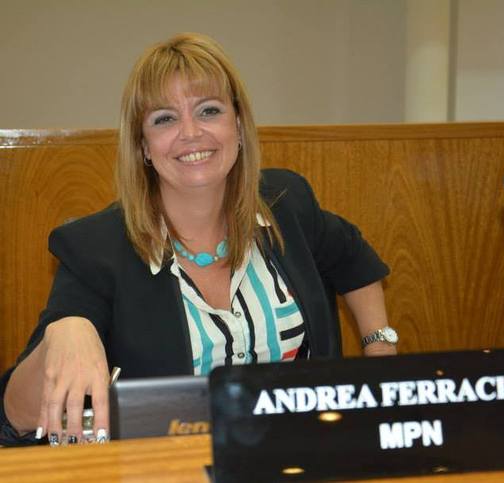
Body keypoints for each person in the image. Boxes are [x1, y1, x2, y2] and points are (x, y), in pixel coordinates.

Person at [0, 32, 396, 447]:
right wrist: (64, 331)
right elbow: (13, 419)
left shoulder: (286, 203)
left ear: (238, 126)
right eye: (165, 119)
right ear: (143, 146)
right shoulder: (95, 248)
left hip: (304, 457)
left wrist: (380, 352)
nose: (190, 132)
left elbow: (353, 258)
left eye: (209, 110)